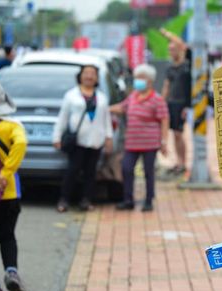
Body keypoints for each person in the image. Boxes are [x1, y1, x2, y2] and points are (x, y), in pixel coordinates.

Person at [0, 82, 28, 291]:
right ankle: (11, 272)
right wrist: (6, 172)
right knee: (7, 235)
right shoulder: (12, 126)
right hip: (8, 192)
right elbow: (21, 144)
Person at [53, 64, 114, 212]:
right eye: (86, 73)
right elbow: (63, 117)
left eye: (93, 74)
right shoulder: (71, 95)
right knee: (72, 171)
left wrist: (108, 137)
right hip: (77, 141)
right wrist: (57, 136)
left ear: (97, 78)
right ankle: (64, 200)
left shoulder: (102, 97)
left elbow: (106, 118)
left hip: (96, 140)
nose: (89, 76)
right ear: (80, 76)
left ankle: (86, 200)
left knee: (91, 173)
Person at [110, 64, 168, 212]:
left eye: (141, 78)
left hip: (150, 142)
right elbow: (122, 107)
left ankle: (148, 200)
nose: (138, 81)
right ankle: (128, 199)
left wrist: (163, 141)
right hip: (132, 142)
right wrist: (104, 107)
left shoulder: (157, 99)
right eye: (137, 78)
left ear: (150, 81)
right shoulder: (133, 96)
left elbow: (164, 120)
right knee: (127, 169)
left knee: (148, 172)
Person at [160, 28, 192, 178]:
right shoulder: (170, 67)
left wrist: (167, 34)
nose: (171, 52)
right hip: (171, 103)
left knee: (179, 133)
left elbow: (181, 44)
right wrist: (161, 103)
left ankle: (183, 163)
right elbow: (166, 86)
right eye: (169, 50)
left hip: (182, 104)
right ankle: (179, 162)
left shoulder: (187, 64)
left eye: (173, 49)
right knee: (174, 134)